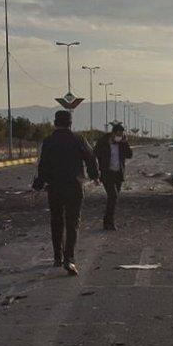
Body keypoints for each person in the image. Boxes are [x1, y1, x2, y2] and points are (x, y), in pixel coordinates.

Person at [32, 110, 99, 275]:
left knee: (56, 221)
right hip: (74, 187)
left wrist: (38, 186)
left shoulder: (48, 141)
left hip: (54, 188)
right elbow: (90, 158)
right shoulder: (78, 139)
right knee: (72, 223)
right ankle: (69, 259)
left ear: (55, 123)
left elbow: (43, 165)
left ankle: (57, 257)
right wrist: (95, 176)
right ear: (70, 123)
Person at [93, 123, 133, 230]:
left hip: (118, 174)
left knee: (114, 199)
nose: (120, 136)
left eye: (122, 135)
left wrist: (125, 143)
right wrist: (96, 173)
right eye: (118, 134)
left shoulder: (122, 143)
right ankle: (108, 222)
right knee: (113, 196)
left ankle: (108, 221)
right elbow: (95, 154)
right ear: (113, 133)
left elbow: (130, 155)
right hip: (107, 174)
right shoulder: (103, 142)